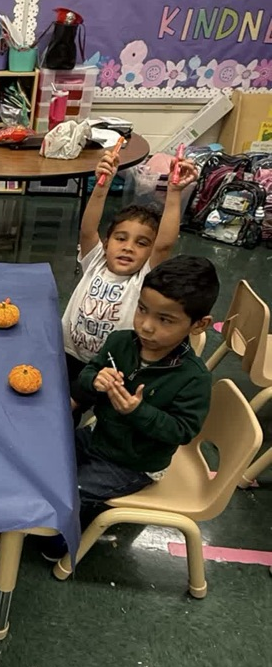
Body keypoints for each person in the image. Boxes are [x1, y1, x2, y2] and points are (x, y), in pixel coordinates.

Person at [43, 255, 218, 561]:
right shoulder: (121, 342)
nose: (146, 327)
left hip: (134, 463)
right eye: (142, 310)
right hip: (99, 437)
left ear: (199, 324)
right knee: (45, 452)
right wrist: (94, 380)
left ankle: (59, 543)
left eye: (165, 320)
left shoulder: (194, 378)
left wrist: (137, 412)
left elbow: (183, 431)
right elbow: (86, 376)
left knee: (77, 490)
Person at [62, 146, 198, 406]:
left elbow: (165, 244)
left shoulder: (143, 279)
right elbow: (87, 229)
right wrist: (102, 185)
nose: (128, 247)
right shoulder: (96, 262)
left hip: (107, 367)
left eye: (141, 243)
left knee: (70, 407)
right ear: (106, 242)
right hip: (68, 352)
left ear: (150, 252)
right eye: (121, 238)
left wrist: (174, 193)